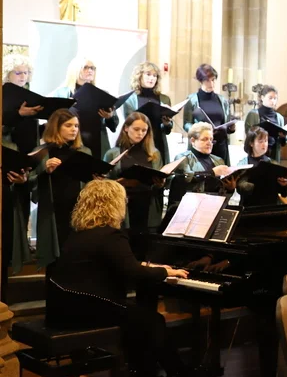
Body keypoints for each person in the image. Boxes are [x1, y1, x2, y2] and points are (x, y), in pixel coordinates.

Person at [47, 179, 191, 377]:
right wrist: (164, 272)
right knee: (152, 320)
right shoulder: (111, 235)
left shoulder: (81, 233)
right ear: (114, 203)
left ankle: (144, 375)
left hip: (66, 306)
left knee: (136, 317)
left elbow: (118, 263)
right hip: (87, 308)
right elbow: (132, 272)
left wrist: (146, 266)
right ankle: (178, 376)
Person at [31, 109, 93, 269]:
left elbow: (89, 183)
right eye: (68, 125)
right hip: (52, 211)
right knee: (54, 259)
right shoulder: (42, 151)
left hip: (78, 210)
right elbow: (29, 182)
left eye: (76, 126)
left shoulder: (84, 151)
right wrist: (45, 171)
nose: (74, 129)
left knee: (77, 258)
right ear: (56, 127)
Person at [3, 54, 39, 282]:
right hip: (6, 156)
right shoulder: (3, 95)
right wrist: (18, 114)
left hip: (26, 157)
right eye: (18, 72)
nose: (23, 76)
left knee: (23, 204)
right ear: (7, 74)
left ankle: (22, 247)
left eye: (26, 73)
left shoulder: (30, 97)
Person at [105, 112, 165, 233]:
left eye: (144, 130)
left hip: (147, 205)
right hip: (122, 206)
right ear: (126, 128)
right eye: (136, 129)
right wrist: (118, 183)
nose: (140, 133)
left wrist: (160, 183)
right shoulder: (113, 153)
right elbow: (103, 183)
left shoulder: (154, 153)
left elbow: (159, 182)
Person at [51, 56, 118, 161]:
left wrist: (109, 117)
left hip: (97, 140)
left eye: (92, 68)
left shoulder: (102, 94)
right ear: (75, 70)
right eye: (86, 67)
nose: (90, 71)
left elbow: (114, 125)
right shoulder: (61, 93)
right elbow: (53, 121)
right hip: (71, 141)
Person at [122, 62, 175, 165]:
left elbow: (167, 130)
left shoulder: (164, 99)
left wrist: (167, 123)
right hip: (138, 142)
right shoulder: (130, 99)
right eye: (148, 74)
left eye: (155, 76)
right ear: (139, 76)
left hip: (158, 141)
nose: (152, 78)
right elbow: (128, 123)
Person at [183, 64, 234, 163]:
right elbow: (186, 124)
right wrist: (199, 131)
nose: (211, 83)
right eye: (207, 80)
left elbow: (226, 124)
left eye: (213, 80)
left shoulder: (222, 100)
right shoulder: (192, 99)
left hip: (220, 145)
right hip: (201, 145)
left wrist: (231, 128)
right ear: (201, 81)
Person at [171, 122, 237, 198]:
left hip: (214, 202)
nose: (209, 143)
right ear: (193, 141)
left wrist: (230, 188)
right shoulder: (182, 158)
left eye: (211, 139)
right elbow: (187, 178)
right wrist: (212, 173)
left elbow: (222, 190)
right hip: (190, 202)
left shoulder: (218, 160)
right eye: (204, 139)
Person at [237, 127, 287, 206]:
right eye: (260, 141)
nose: (264, 144)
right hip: (249, 207)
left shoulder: (273, 163)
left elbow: (283, 194)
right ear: (251, 143)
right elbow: (240, 189)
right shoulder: (243, 164)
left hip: (270, 207)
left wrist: (284, 185)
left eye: (266, 141)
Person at [243, 84, 287, 158]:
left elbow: (282, 142)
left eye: (275, 98)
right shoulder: (253, 114)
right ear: (262, 97)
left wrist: (283, 137)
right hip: (257, 152)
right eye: (270, 98)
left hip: (274, 152)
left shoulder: (279, 117)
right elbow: (249, 134)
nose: (273, 101)